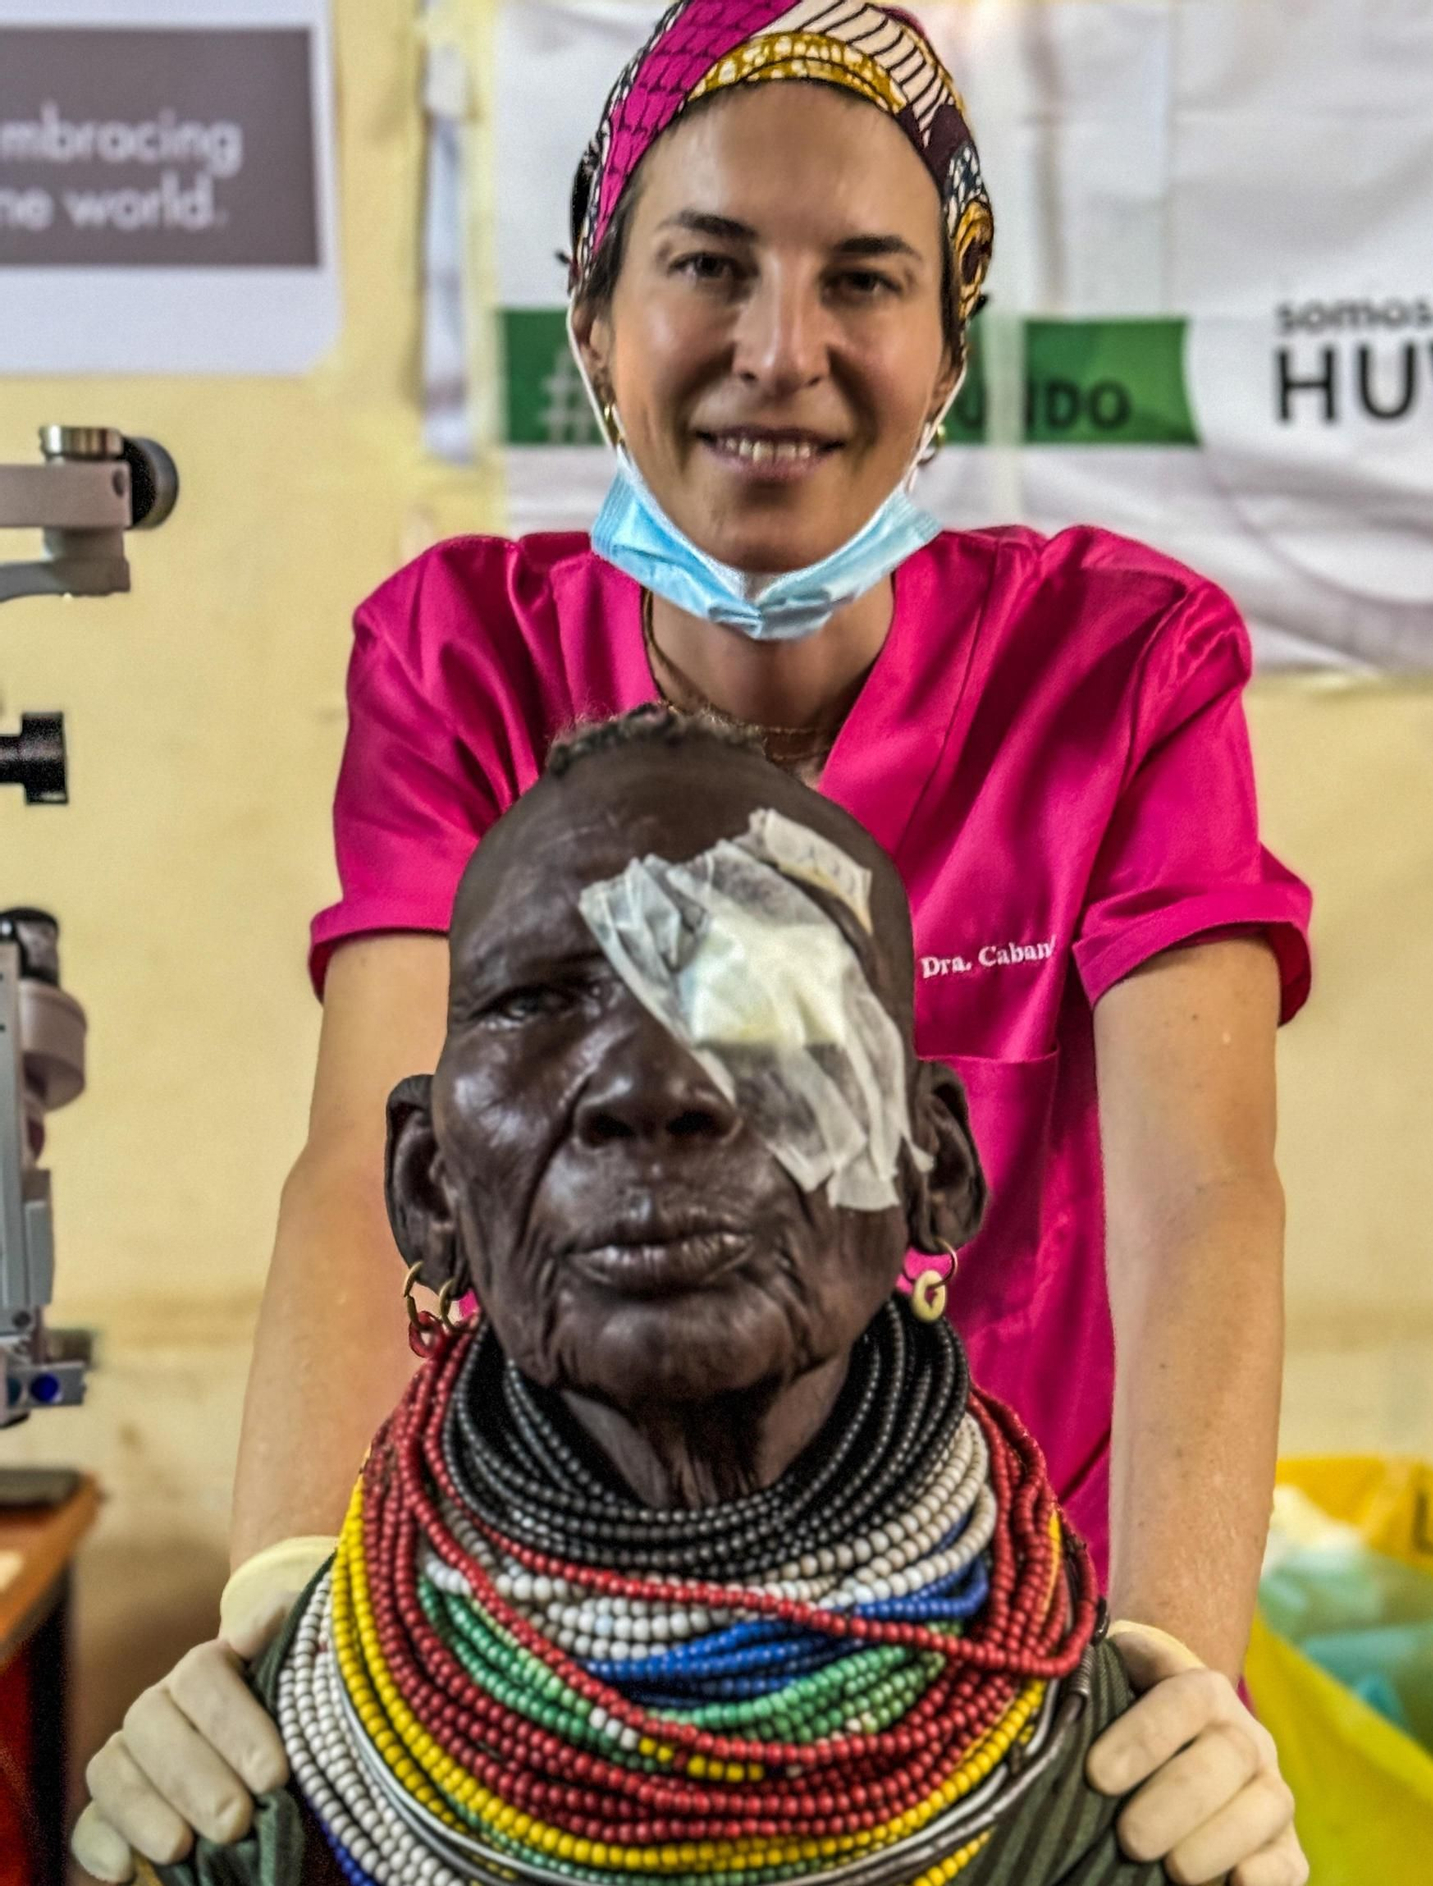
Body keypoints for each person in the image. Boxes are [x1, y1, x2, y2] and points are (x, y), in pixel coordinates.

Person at [75, 3, 1312, 1881]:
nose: (781, 351)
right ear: (593, 318)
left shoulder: (1118, 668)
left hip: (995, 1661)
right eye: (709, 266)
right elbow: (369, 1151)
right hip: (546, 1653)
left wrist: (1163, 1687)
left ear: (950, 343)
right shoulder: (462, 658)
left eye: (864, 280)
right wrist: (283, 1626)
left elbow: (1202, 1194)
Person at [141, 712, 1175, 1886]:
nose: (652, 1082)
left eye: (764, 997)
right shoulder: (256, 1785)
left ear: (929, 1163)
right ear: (431, 1183)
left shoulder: (1117, 1802)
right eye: (541, 1001)